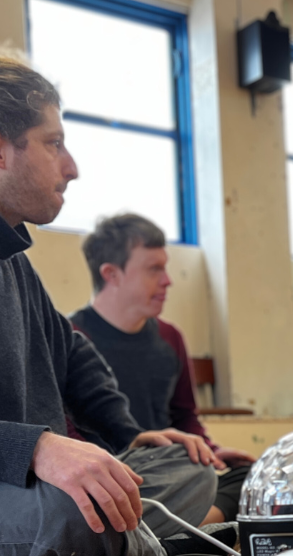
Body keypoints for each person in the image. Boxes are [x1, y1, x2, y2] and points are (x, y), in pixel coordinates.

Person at [0, 52, 217, 556]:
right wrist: (37, 449)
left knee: (186, 469)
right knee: (81, 512)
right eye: (54, 144)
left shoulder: (15, 263)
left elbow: (72, 354)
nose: (71, 166)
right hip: (25, 490)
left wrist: (126, 435)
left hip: (32, 488)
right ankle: (123, 550)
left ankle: (104, 553)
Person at [71, 213, 255, 524]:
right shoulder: (71, 338)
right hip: (118, 472)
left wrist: (209, 451)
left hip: (173, 465)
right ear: (112, 274)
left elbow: (185, 418)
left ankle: (179, 526)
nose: (168, 280)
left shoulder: (170, 338)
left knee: (250, 475)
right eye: (154, 269)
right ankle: (195, 525)